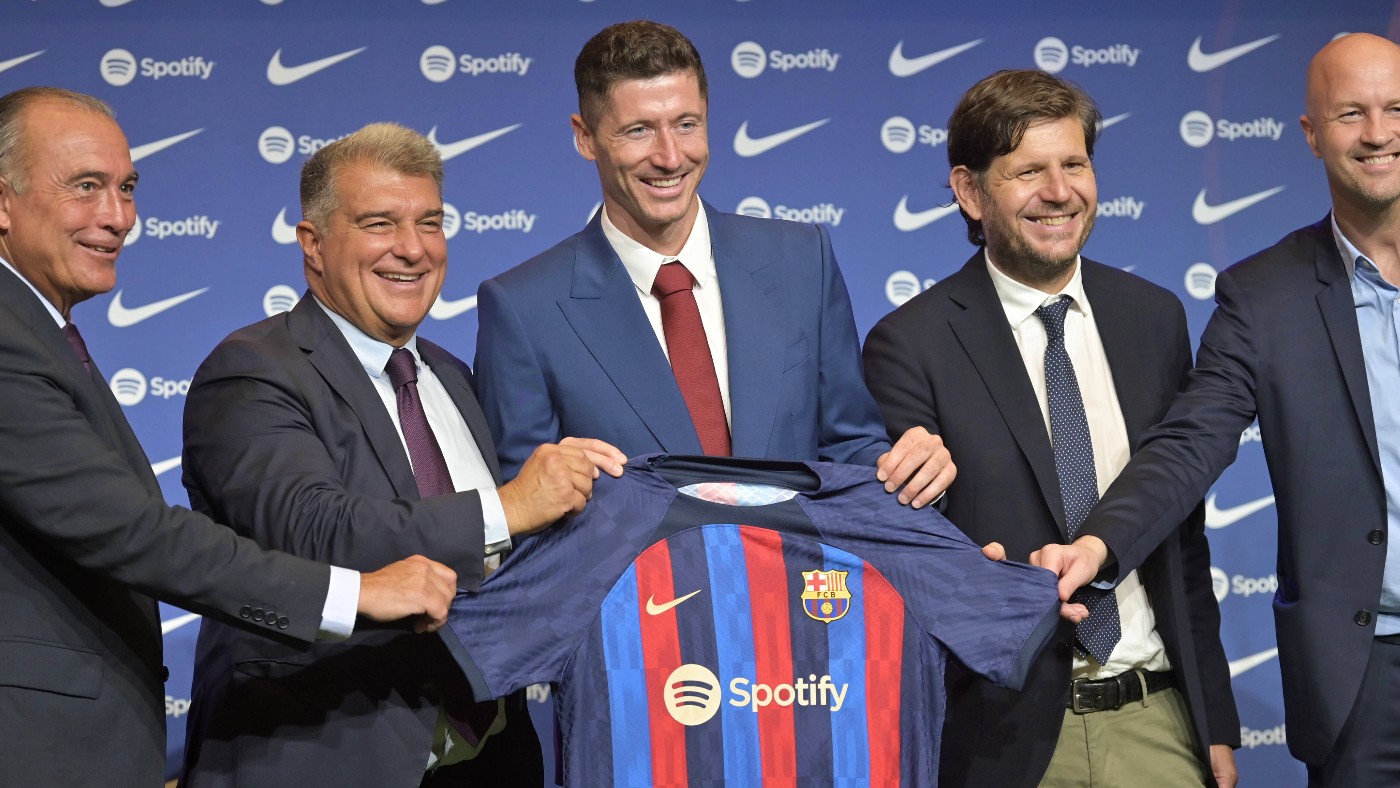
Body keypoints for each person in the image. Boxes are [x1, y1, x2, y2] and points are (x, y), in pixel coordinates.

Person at [0, 88, 459, 786]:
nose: (118, 216)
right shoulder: (10, 339)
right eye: (85, 187)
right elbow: (131, 532)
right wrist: (355, 593)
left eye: (126, 188)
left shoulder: (41, 333)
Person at [176, 123, 624, 786]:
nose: (413, 249)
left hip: (489, 758)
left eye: (430, 222)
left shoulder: (452, 376)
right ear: (313, 244)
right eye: (379, 224)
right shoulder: (251, 372)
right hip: (324, 757)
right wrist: (508, 508)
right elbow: (313, 530)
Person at [1032, 32, 1400, 787]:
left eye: (1396, 109)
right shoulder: (1264, 297)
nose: (1377, 133)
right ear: (1312, 134)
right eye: (1351, 113)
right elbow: (1188, 443)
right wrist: (1099, 545)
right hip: (1364, 676)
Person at [862, 70, 1239, 787]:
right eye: (1028, 171)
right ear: (971, 191)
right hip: (1002, 739)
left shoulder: (1154, 318)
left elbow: (1181, 537)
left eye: (1075, 164)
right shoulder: (909, 344)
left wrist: (1213, 721)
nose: (1060, 191)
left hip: (1156, 720)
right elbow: (912, 559)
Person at [473, 20, 952, 504]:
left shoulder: (803, 259)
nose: (670, 156)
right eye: (639, 131)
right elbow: (527, 507)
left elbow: (849, 448)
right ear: (585, 137)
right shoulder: (523, 309)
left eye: (687, 124)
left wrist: (911, 476)